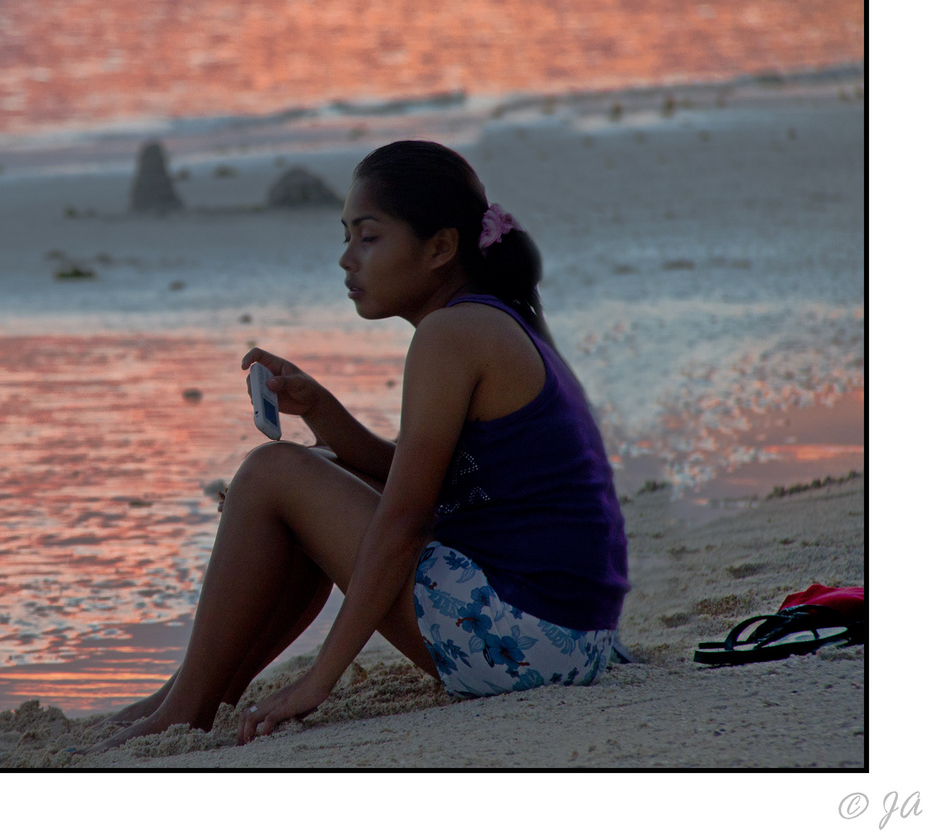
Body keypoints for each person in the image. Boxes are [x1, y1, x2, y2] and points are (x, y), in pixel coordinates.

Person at [94, 139, 629, 752]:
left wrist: (318, 681)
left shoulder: (448, 336)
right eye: (345, 236)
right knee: (306, 473)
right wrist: (320, 411)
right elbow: (416, 479)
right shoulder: (485, 319)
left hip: (525, 641)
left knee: (272, 471)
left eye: (368, 237)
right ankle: (199, 692)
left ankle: (187, 706)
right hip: (570, 636)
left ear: (440, 247)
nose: (347, 259)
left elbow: (403, 520)